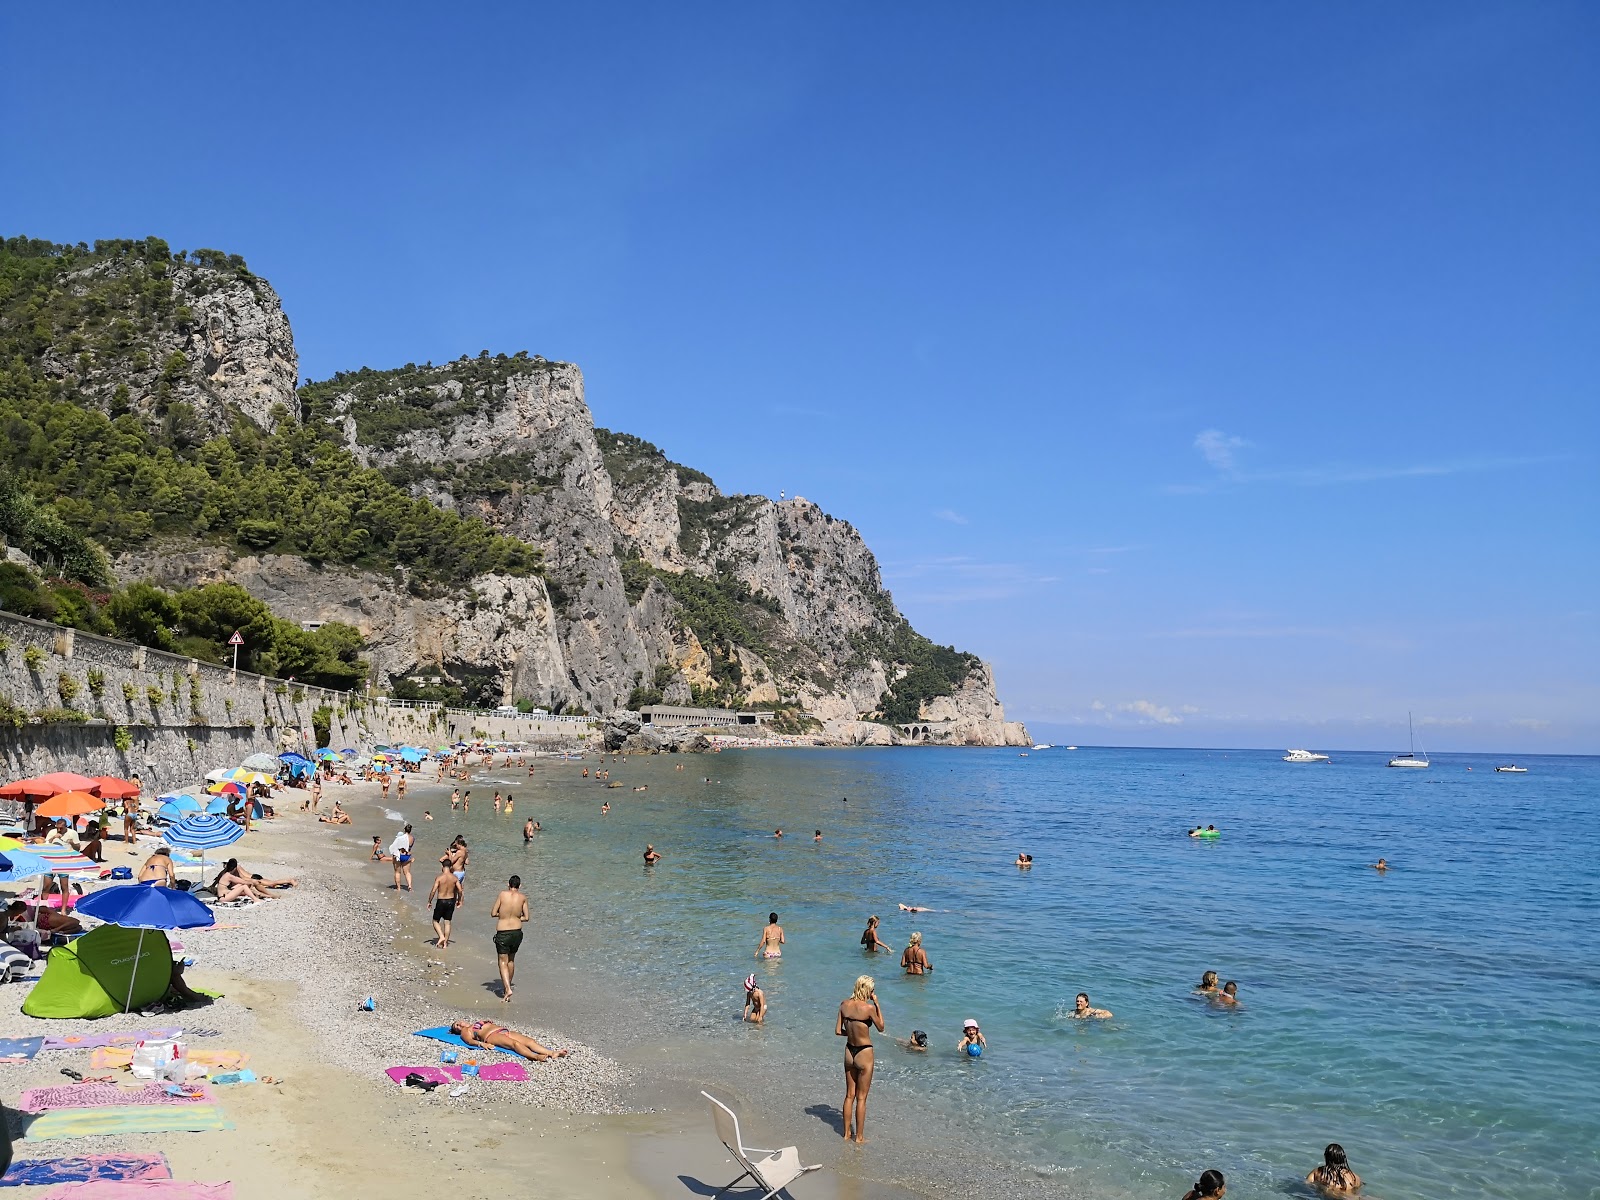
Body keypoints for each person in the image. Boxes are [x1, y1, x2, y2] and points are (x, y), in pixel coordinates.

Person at [836, 976, 883, 1143]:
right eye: (872, 990)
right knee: (861, 1098)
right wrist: (877, 1004)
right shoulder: (868, 1008)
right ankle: (859, 1138)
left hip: (849, 1051)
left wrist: (851, 1033)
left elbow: (838, 1031)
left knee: (849, 1095)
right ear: (867, 990)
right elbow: (881, 1027)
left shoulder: (844, 1005)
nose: (873, 993)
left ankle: (846, 1134)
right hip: (864, 1052)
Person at [449, 1018, 568, 1062]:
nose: (459, 1024)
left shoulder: (475, 1022)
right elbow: (469, 1041)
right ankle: (535, 1057)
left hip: (503, 1030)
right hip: (491, 1036)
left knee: (530, 1041)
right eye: (457, 1026)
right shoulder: (465, 1031)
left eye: (459, 1022)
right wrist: (481, 1044)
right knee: (515, 1044)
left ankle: (552, 1053)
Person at [490, 874, 530, 1001]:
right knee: (511, 960)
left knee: (502, 962)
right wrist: (516, 918)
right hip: (517, 932)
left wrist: (503, 916)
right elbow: (527, 917)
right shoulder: (523, 897)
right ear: (520, 886)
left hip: (503, 933)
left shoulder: (502, 894)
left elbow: (493, 913)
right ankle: (507, 986)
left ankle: (507, 988)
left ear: (508, 884)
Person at [428, 861, 461, 949]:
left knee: (435, 921)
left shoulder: (439, 878)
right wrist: (459, 900)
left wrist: (429, 901)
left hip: (441, 901)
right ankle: (445, 943)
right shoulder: (454, 878)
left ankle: (441, 937)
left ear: (442, 866)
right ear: (451, 867)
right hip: (451, 901)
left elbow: (433, 890)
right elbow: (460, 890)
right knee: (447, 922)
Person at [390, 824, 414, 891]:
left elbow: (395, 846)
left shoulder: (400, 838)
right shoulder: (412, 838)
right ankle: (409, 886)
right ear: (410, 830)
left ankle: (398, 888)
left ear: (404, 830)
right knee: (407, 872)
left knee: (397, 872)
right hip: (407, 856)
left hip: (399, 855)